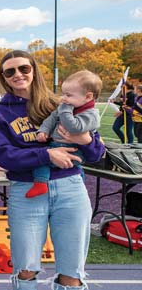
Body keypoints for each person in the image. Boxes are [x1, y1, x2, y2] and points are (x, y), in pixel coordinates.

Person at [0, 50, 104, 290]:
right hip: (27, 190)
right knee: (25, 263)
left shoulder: (61, 101)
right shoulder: (0, 113)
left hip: (69, 188)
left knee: (71, 267)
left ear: (33, 70)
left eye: (23, 68)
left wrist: (83, 138)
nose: (17, 75)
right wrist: (46, 156)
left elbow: (95, 152)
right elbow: (5, 156)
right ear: (3, 78)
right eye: (9, 72)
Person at [27, 70, 102, 198]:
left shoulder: (91, 114)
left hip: (74, 150)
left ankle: (40, 183)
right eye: (63, 94)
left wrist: (65, 109)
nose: (63, 98)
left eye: (68, 95)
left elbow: (74, 127)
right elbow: (51, 119)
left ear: (88, 97)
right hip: (56, 144)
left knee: (42, 162)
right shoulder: (68, 107)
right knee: (42, 155)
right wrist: (43, 130)